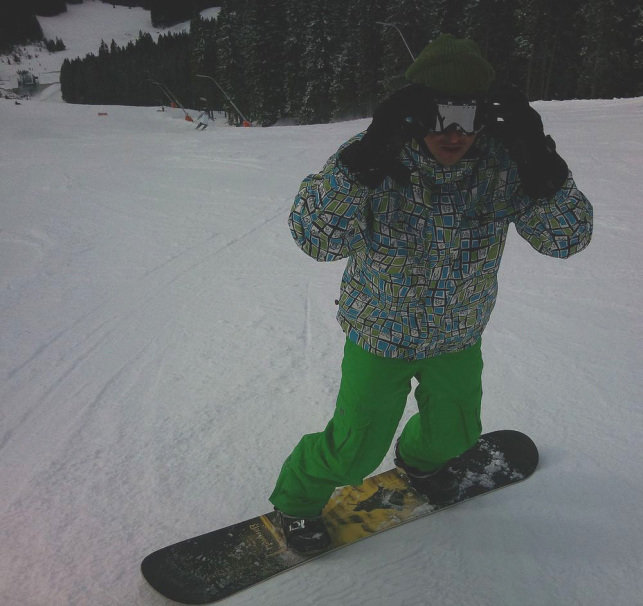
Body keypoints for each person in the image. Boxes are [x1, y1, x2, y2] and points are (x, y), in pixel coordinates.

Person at [269, 34, 593, 554]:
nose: (453, 133)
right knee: (354, 450)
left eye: (467, 117)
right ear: (414, 110)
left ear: (489, 114)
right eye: (438, 116)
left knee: (455, 434)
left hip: (458, 331)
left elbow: (567, 239)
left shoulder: (506, 163)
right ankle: (296, 499)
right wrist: (361, 164)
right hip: (381, 333)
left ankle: (419, 462)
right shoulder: (377, 155)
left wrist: (543, 165)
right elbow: (316, 239)